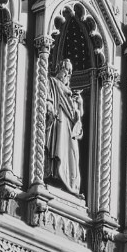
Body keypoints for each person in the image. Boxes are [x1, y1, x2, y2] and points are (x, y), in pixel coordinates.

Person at [46, 51, 84, 195]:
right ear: (58, 69)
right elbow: (48, 99)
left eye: (70, 71)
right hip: (58, 123)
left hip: (69, 129)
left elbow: (77, 120)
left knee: (72, 154)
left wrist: (79, 105)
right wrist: (49, 108)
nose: (67, 73)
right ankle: (54, 175)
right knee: (58, 149)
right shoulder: (52, 82)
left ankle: (70, 184)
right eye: (65, 69)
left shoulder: (71, 93)